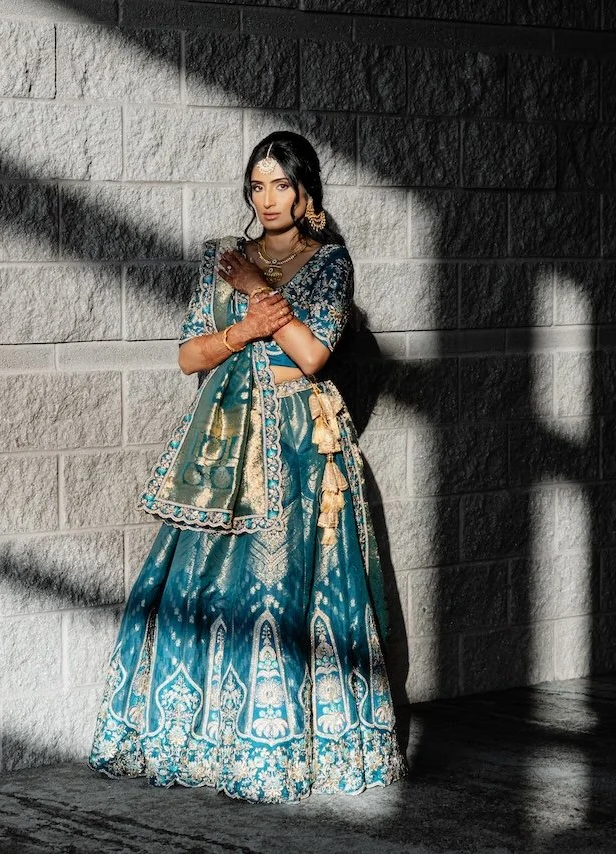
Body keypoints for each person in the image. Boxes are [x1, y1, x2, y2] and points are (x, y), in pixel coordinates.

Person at [87, 131, 406, 803]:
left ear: (307, 192)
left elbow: (314, 355)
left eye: (281, 185)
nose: (266, 198)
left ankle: (285, 747)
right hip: (224, 443)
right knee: (205, 590)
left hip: (298, 443)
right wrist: (247, 326)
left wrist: (258, 292)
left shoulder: (329, 264)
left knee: (288, 590)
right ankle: (196, 737)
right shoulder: (219, 258)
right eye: (256, 185)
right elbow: (190, 356)